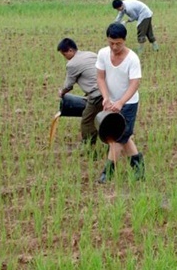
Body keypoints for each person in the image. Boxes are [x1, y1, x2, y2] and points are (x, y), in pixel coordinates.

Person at [95, 23, 144, 183]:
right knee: (124, 135)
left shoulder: (132, 59)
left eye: (118, 43)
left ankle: (107, 172)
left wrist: (122, 102)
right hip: (111, 103)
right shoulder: (103, 54)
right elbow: (100, 77)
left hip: (128, 103)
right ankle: (138, 168)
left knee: (117, 138)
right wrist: (106, 97)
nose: (114, 47)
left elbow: (134, 83)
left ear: (124, 40)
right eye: (111, 43)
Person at [57, 38, 103, 146]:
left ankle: (88, 147)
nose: (65, 58)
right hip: (110, 91)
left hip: (97, 95)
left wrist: (62, 93)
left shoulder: (72, 64)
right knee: (104, 117)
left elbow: (68, 86)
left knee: (87, 120)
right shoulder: (90, 54)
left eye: (64, 55)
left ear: (70, 51)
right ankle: (111, 142)